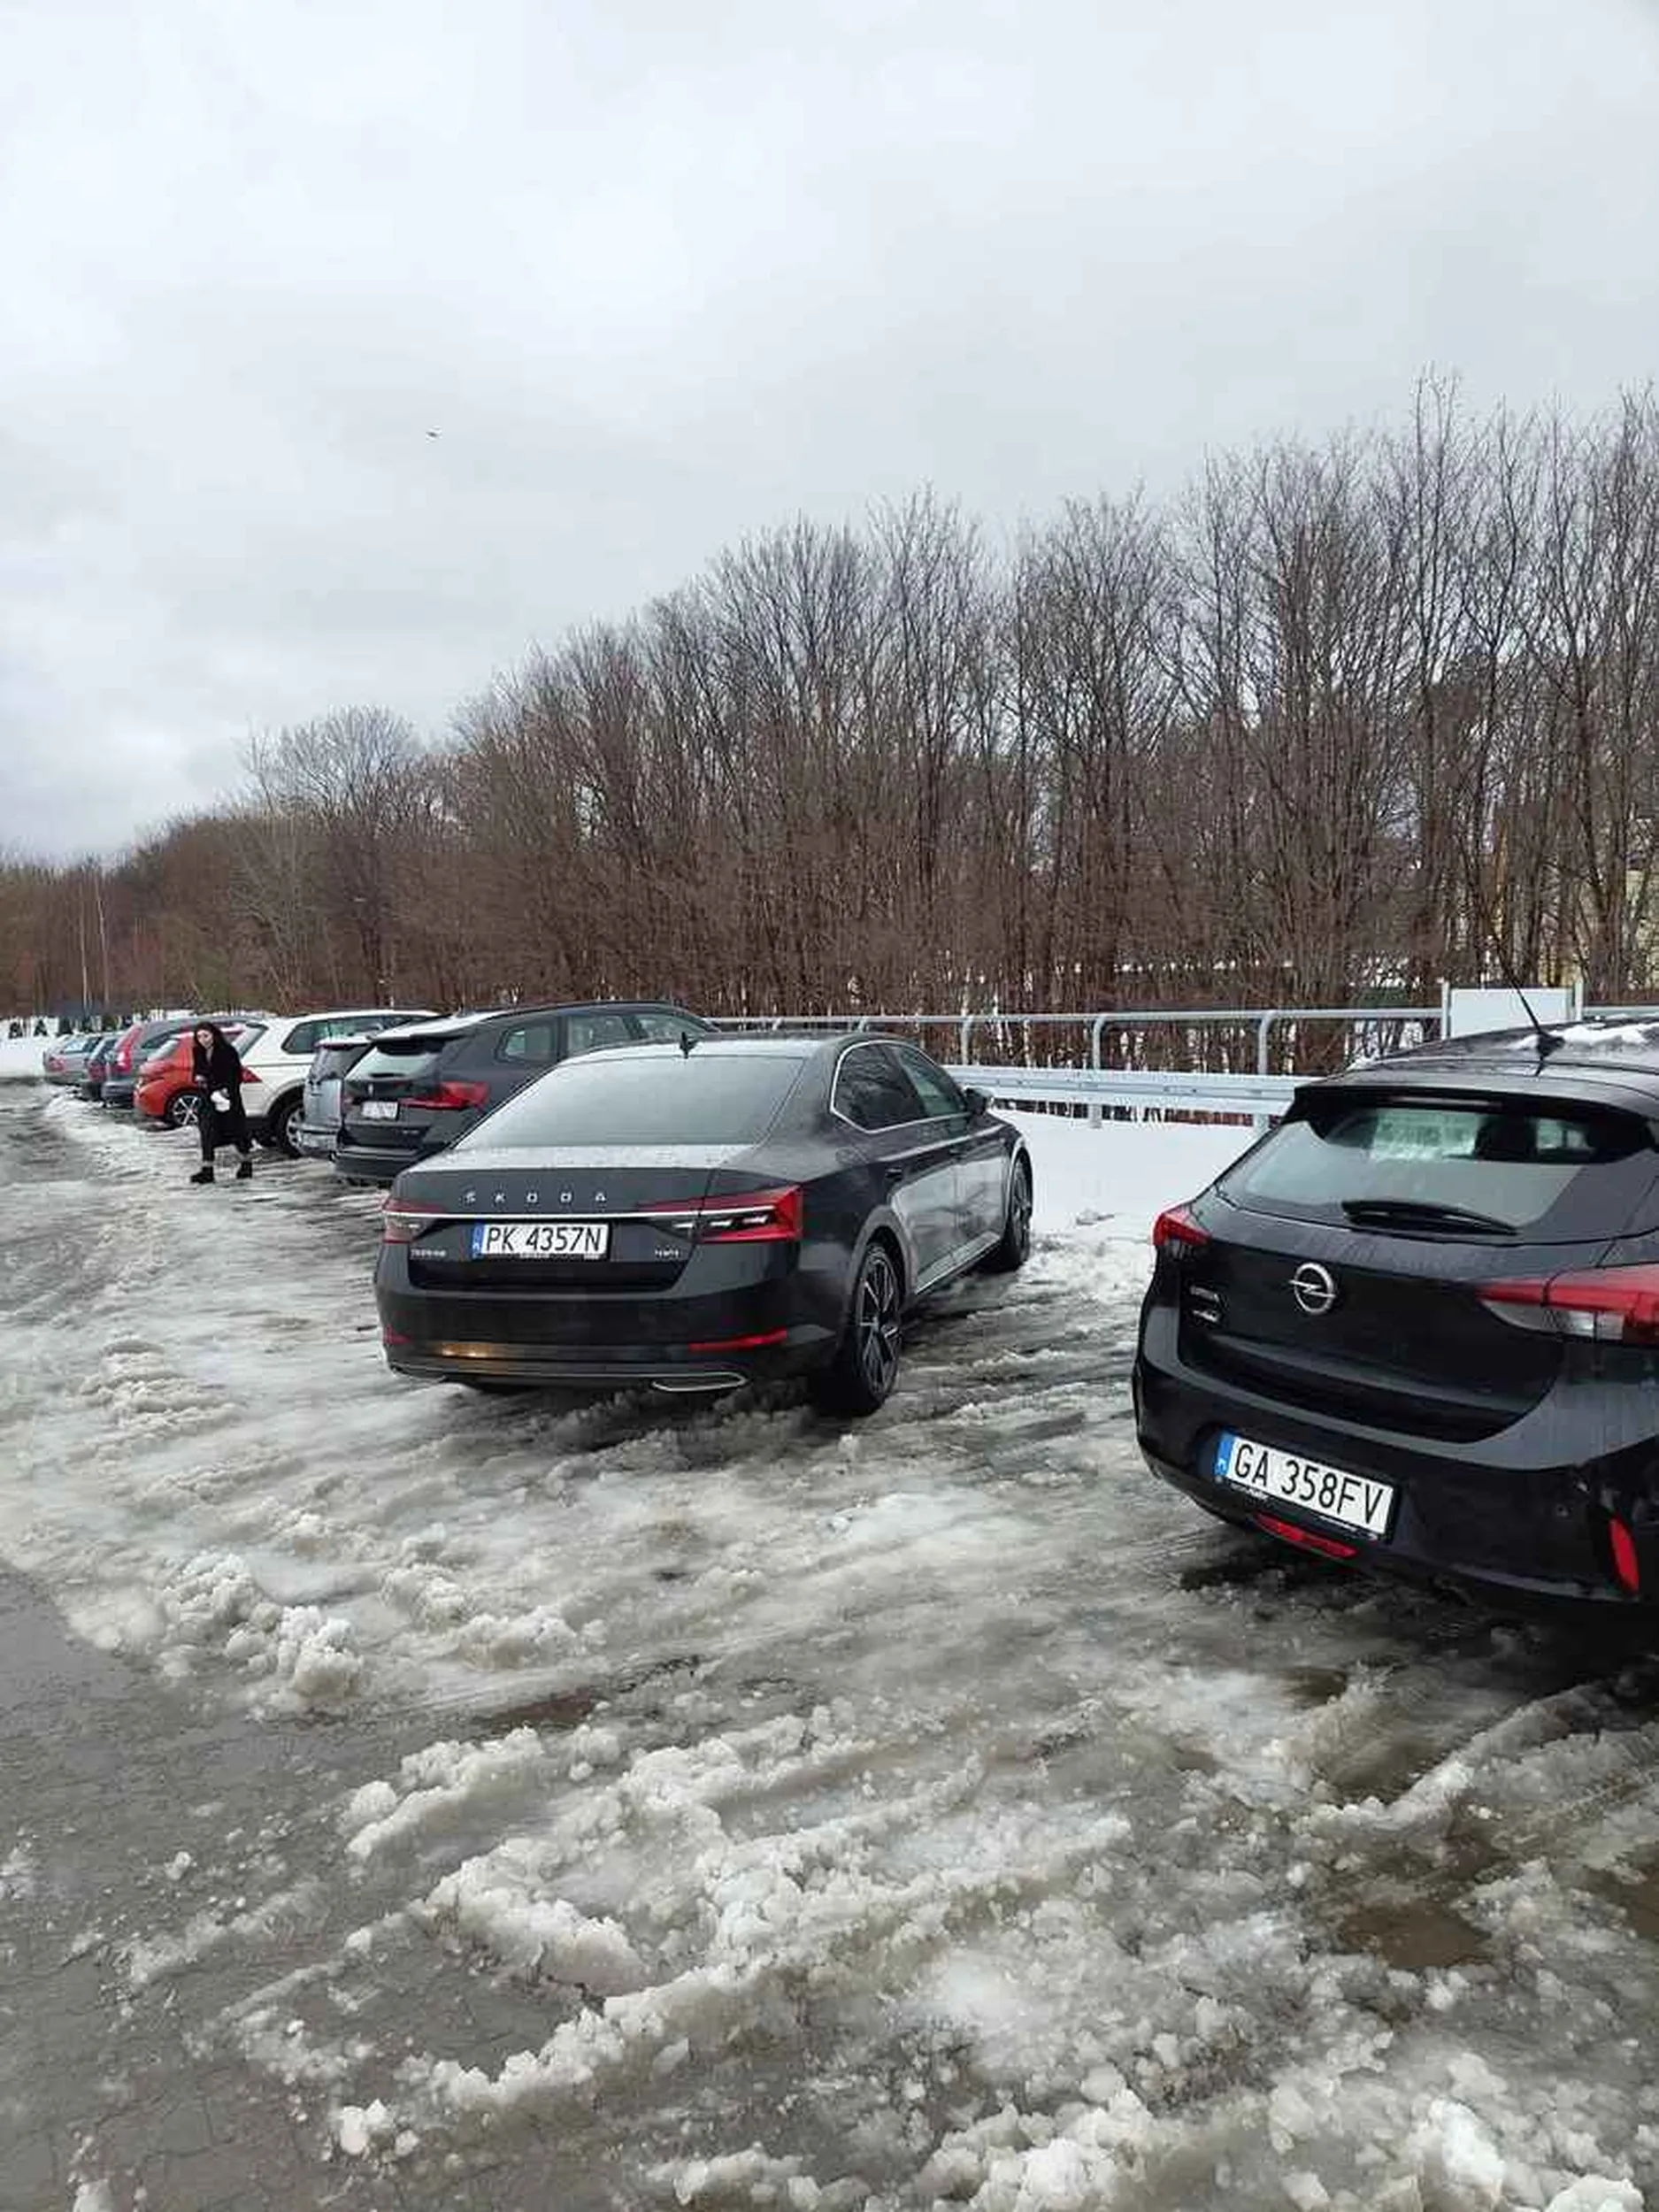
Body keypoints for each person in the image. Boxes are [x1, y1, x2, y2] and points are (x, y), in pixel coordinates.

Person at [188, 1021, 253, 1184]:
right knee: (207, 1131)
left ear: (213, 1035)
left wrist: (226, 1091)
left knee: (236, 1130)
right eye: (199, 1037)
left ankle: (246, 1163)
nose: (203, 1040)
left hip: (228, 1098)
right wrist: (198, 1078)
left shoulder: (227, 1051)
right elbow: (197, 1071)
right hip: (208, 1097)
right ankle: (207, 1170)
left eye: (206, 1036)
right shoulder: (198, 1052)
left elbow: (236, 1076)